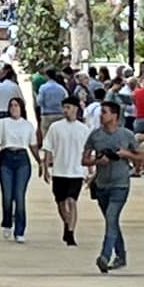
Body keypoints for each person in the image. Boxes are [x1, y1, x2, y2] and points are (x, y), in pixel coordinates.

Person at [84, 100, 144, 272]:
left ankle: (105, 255)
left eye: (104, 112)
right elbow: (84, 159)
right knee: (112, 221)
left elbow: (141, 156)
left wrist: (125, 154)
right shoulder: (95, 135)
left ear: (114, 116)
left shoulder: (126, 135)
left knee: (111, 218)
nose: (101, 115)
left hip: (120, 184)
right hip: (102, 184)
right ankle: (121, 255)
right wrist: (98, 161)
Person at [41, 97, 93, 246]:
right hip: (59, 171)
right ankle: (67, 223)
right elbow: (48, 149)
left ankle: (70, 233)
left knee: (72, 200)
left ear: (76, 108)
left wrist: (90, 171)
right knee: (61, 203)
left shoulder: (84, 129)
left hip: (76, 171)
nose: (65, 110)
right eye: (64, 107)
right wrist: (45, 168)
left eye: (68, 107)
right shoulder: (55, 127)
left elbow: (88, 152)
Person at [0, 95, 37, 241]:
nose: (14, 108)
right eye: (11, 106)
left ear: (21, 108)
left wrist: (40, 161)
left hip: (22, 159)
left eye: (16, 105)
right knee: (7, 196)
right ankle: (7, 222)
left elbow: (33, 145)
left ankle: (20, 230)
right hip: (7, 158)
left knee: (19, 196)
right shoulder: (3, 123)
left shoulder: (27, 125)